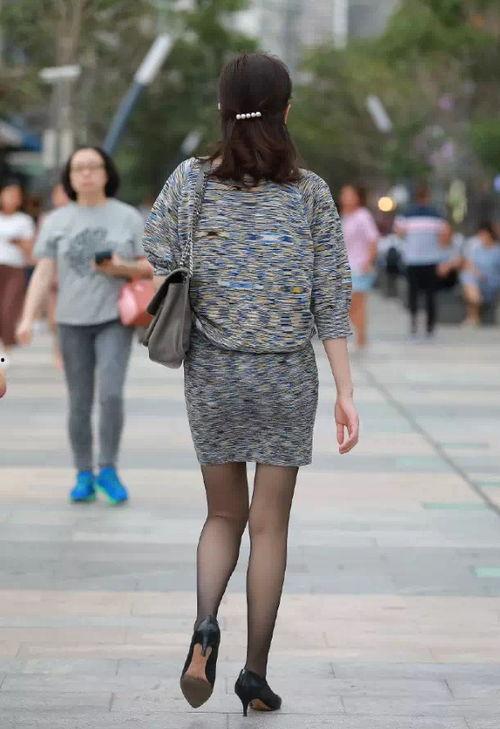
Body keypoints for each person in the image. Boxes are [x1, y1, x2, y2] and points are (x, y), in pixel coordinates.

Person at [142, 52, 359, 717]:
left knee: (221, 515)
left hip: (212, 370)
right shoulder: (311, 193)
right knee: (269, 528)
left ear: (221, 108)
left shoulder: (190, 181)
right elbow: (332, 298)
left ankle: (204, 626)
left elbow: (157, 252)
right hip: (286, 372)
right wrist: (346, 392)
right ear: (286, 110)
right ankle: (255, 675)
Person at [16, 147, 152, 504]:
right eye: (79, 168)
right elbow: (43, 272)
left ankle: (107, 468)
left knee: (110, 394)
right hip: (70, 322)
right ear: (70, 177)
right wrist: (27, 318)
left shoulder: (127, 217)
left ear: (107, 173)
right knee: (79, 401)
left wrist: (120, 267)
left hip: (114, 319)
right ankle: (83, 473)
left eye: (93, 166)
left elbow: (149, 267)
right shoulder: (56, 220)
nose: (87, 173)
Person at [395, 184, 451, 339]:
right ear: (428, 197)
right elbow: (445, 234)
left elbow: (399, 232)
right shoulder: (437, 214)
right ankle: (429, 326)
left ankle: (414, 323)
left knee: (413, 293)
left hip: (413, 259)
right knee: (430, 295)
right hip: (431, 259)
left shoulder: (406, 214)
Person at [339, 185, 379, 348]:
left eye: (350, 195)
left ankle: (362, 337)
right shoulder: (344, 216)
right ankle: (362, 337)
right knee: (353, 305)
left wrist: (368, 261)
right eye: (344, 194)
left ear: (358, 197)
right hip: (345, 268)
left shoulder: (363, 216)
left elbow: (373, 239)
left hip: (360, 268)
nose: (346, 198)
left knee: (355, 304)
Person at [0, 182, 35, 351]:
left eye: (14, 196)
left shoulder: (24, 220)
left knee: (9, 307)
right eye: (7, 195)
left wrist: (16, 241)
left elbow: (30, 248)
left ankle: (6, 349)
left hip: (15, 268)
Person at [460, 222, 500, 326]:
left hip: (491, 281)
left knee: (468, 280)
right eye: (480, 235)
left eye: (484, 235)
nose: (481, 237)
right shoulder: (477, 250)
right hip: (477, 280)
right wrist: (477, 272)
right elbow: (470, 264)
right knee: (468, 276)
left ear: (490, 235)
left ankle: (473, 315)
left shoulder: (497, 251)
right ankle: (475, 309)